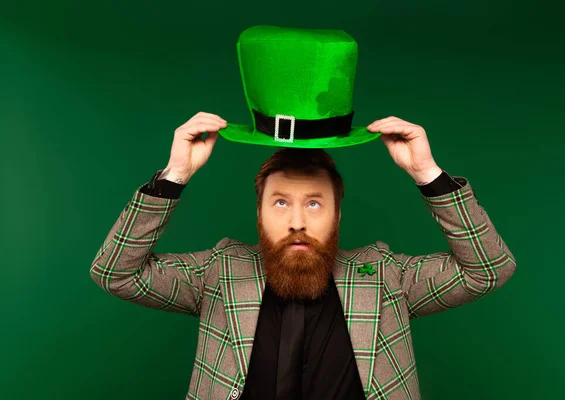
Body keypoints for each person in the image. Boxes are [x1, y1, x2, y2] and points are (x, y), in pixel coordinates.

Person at [89, 110, 517, 400]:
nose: (297, 220)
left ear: (337, 214)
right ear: (258, 213)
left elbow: (488, 269)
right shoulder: (218, 271)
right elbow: (115, 273)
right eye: (280, 203)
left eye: (314, 203)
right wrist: (176, 174)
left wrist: (427, 174)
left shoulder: (387, 276)